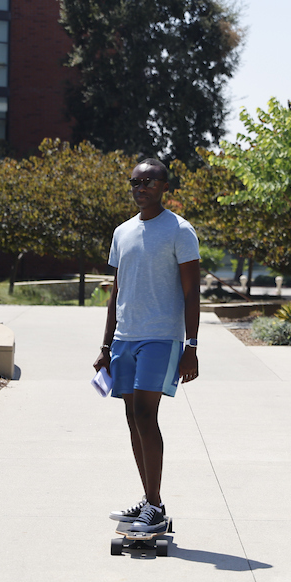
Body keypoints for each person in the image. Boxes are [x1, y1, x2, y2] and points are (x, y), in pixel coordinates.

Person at [93, 158, 201, 534]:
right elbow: (116, 294)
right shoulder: (122, 232)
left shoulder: (179, 230)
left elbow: (191, 293)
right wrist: (105, 346)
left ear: (164, 186)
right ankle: (149, 499)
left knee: (144, 414)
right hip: (125, 337)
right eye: (135, 182)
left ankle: (154, 506)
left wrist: (192, 346)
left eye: (149, 182)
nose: (141, 188)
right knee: (131, 417)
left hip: (161, 336)